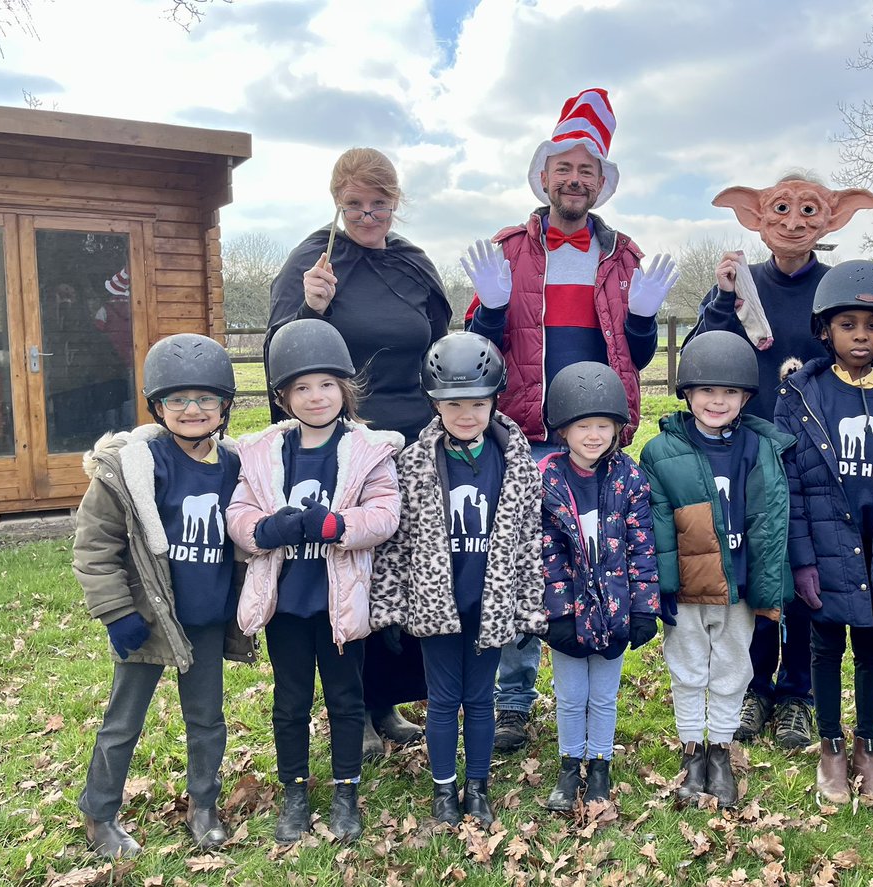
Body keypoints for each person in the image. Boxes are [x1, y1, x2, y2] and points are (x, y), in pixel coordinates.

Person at [461, 88, 678, 753]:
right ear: (546, 176)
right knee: (528, 564)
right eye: (565, 167)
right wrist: (492, 310)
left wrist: (641, 318)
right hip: (528, 433)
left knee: (597, 557)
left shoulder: (622, 257)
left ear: (600, 183)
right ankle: (515, 700)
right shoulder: (512, 251)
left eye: (588, 169)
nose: (575, 179)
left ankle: (593, 689)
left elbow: (634, 356)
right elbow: (478, 347)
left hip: (597, 433)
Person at [688, 171, 873, 751]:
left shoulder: (837, 289)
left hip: (816, 456)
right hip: (747, 451)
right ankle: (753, 687)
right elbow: (705, 351)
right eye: (780, 210)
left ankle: (796, 692)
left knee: (804, 577)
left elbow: (859, 355)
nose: (794, 223)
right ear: (754, 217)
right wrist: (724, 296)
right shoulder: (741, 284)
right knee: (754, 571)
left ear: (833, 218)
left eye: (808, 211)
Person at [267, 147, 449, 751]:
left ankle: (386, 701)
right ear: (336, 203)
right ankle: (352, 708)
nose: (368, 216)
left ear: (397, 201)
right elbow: (282, 354)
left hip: (417, 439)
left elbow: (441, 349)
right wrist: (308, 307)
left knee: (404, 571)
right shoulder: (313, 262)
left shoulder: (414, 264)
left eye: (379, 204)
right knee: (354, 571)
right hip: (350, 443)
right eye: (355, 206)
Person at [73, 333, 255, 859]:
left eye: (204, 399)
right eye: (177, 399)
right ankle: (99, 810)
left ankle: (204, 805)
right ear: (158, 406)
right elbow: (95, 548)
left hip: (204, 619)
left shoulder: (234, 466)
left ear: (224, 406)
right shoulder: (130, 469)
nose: (192, 409)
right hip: (147, 619)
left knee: (207, 718)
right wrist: (115, 611)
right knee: (123, 720)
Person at [227, 319, 402, 844]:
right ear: (283, 397)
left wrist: (339, 526)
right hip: (286, 603)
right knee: (291, 700)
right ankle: (295, 792)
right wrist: (263, 529)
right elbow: (238, 511)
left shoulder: (368, 449)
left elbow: (386, 512)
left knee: (347, 698)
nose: (316, 396)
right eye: (301, 388)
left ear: (344, 388)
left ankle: (346, 790)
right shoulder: (261, 453)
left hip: (341, 602)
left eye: (326, 384)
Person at [368, 331, 548, 828]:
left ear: (494, 400)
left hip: (490, 604)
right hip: (435, 606)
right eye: (452, 404)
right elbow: (395, 542)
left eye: (476, 403)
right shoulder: (413, 464)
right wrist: (387, 608)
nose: (465, 414)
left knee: (481, 699)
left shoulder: (517, 463)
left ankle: (478, 785)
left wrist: (530, 608)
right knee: (443, 701)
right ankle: (444, 789)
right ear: (434, 403)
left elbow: (531, 541)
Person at [773, 260, 873, 809]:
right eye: (847, 325)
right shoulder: (801, 397)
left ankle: (869, 748)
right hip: (823, 541)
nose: (860, 336)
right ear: (825, 331)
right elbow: (785, 484)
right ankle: (831, 747)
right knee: (824, 646)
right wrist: (801, 558)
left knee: (872, 648)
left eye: (872, 325)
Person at [640, 330, 796, 808]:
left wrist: (769, 585)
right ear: (687, 393)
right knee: (687, 668)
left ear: (745, 396)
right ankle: (692, 750)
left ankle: (721, 750)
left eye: (729, 392)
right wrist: (663, 586)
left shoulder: (761, 448)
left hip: (740, 585)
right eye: (706, 390)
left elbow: (771, 520)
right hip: (688, 586)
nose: (717, 400)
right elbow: (658, 527)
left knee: (732, 667)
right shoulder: (660, 453)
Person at [537, 362, 660, 811]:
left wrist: (644, 608)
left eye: (603, 425)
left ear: (616, 429)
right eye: (583, 425)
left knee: (604, 696)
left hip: (616, 611)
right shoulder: (546, 481)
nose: (593, 434)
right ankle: (570, 765)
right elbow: (542, 555)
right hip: (567, 614)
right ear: (563, 430)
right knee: (570, 697)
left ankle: (600, 765)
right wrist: (553, 614)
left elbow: (641, 547)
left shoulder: (628, 478)